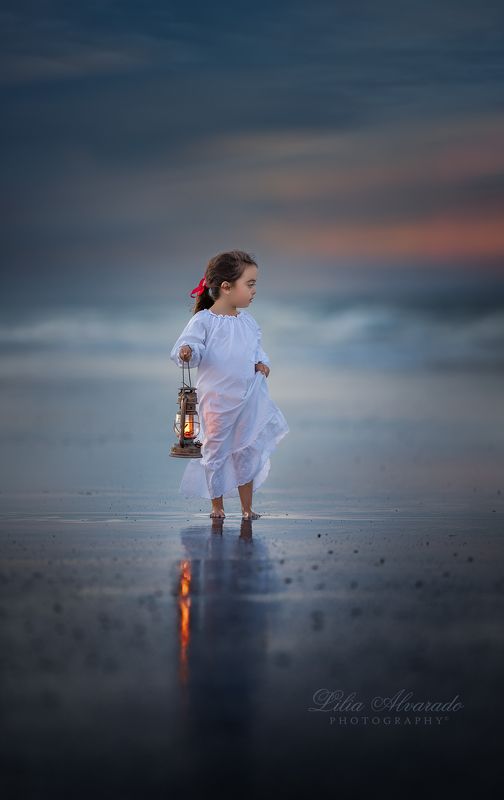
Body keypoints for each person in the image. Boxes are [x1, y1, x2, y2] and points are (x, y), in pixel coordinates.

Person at [170, 249, 289, 520]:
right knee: (215, 450)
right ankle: (217, 506)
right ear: (226, 287)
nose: (254, 290)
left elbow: (257, 351)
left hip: (246, 399)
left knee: (246, 450)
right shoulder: (203, 321)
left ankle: (247, 509)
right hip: (216, 400)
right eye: (249, 284)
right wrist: (187, 351)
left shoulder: (248, 322)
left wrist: (262, 364)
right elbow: (190, 348)